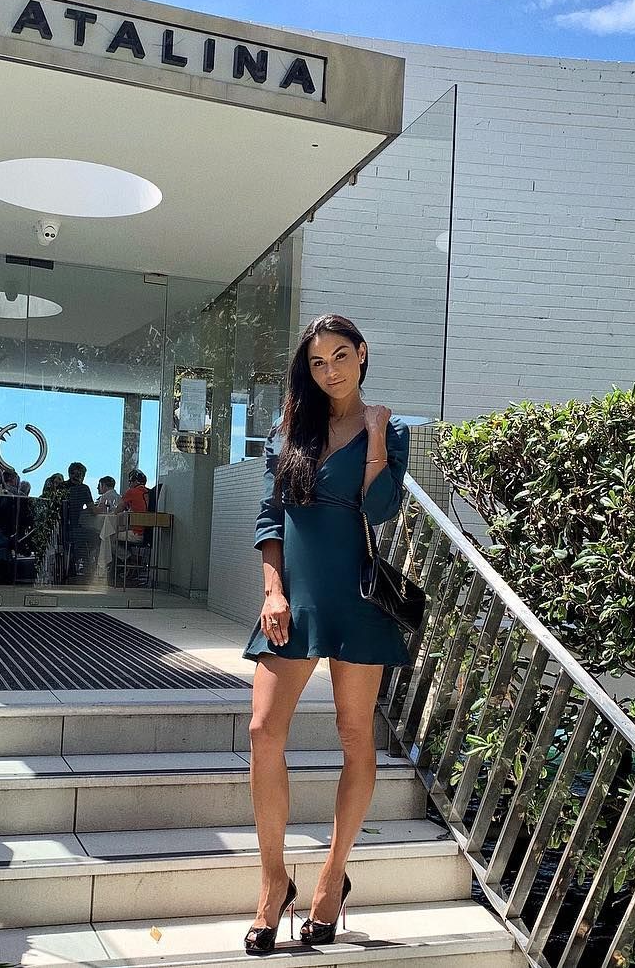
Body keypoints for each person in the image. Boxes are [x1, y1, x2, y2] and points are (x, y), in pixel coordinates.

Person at [241, 314, 410, 956]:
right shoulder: (291, 429)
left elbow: (380, 508)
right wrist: (272, 590)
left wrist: (374, 435)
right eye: (317, 362)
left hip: (356, 600)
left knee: (355, 734)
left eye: (341, 356)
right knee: (263, 731)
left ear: (362, 355)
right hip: (295, 597)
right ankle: (272, 881)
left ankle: (333, 878)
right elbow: (270, 516)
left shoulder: (388, 430)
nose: (330, 370)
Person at [66, 462, 100, 577]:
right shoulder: (83, 489)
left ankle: (74, 561)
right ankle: (88, 565)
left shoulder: (61, 487)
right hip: (74, 529)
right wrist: (102, 508)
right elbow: (93, 510)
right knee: (97, 536)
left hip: (60, 530)